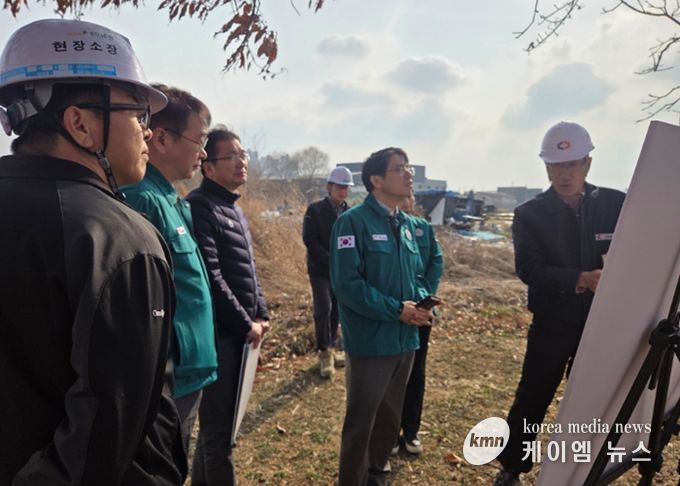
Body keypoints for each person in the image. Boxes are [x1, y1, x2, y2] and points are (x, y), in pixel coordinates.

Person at [0, 19, 186, 485]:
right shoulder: (118, 240)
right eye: (139, 114)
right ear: (80, 123)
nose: (148, 132)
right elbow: (104, 432)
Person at [494, 122, 625, 486]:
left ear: (588, 163)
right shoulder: (530, 214)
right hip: (553, 321)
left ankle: (585, 467)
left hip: (601, 322)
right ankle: (512, 466)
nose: (565, 174)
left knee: (593, 397)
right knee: (533, 395)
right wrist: (580, 278)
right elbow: (529, 269)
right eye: (557, 166)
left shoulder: (615, 204)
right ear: (547, 167)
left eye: (572, 165)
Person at [121, 85, 218, 451]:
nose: (203, 153)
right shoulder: (141, 199)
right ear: (161, 138)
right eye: (200, 140)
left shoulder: (167, 198)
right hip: (169, 375)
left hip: (188, 369)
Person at [330, 147, 433, 486]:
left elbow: (416, 274)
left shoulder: (406, 225)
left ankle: (377, 472)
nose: (409, 174)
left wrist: (421, 304)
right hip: (372, 342)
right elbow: (348, 285)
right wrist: (397, 310)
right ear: (376, 180)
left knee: (390, 418)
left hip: (405, 340)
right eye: (399, 169)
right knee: (362, 422)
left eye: (409, 167)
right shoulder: (352, 223)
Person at [186, 127, 270, 485]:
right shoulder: (200, 206)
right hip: (221, 337)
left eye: (243, 154)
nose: (241, 162)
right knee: (219, 434)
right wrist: (244, 323)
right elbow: (211, 274)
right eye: (231, 156)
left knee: (219, 431)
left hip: (241, 335)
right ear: (208, 167)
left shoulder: (233, 208)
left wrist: (262, 312)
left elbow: (249, 269)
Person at [393, 193, 443, 456]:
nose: (406, 199)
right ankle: (389, 432)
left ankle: (411, 430)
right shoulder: (383, 227)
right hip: (396, 309)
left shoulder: (423, 228)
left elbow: (436, 261)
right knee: (392, 374)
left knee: (417, 371)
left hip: (422, 310)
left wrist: (425, 298)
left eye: (409, 195)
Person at [302, 166, 354, 378]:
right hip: (320, 269)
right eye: (339, 187)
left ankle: (331, 347)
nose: (343, 191)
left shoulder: (350, 213)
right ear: (329, 187)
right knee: (324, 308)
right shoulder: (315, 210)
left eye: (346, 187)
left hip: (341, 271)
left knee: (336, 310)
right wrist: (330, 259)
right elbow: (310, 240)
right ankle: (324, 353)